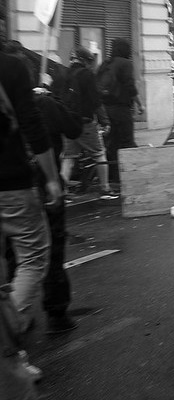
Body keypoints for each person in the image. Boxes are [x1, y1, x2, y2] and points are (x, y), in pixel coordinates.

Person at [0, 42, 63, 395]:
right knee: (33, 256)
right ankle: (8, 338)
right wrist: (51, 177)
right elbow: (33, 127)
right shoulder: (11, 67)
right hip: (10, 184)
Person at [56, 46, 117, 200]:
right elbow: (96, 101)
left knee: (68, 158)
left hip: (67, 122)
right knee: (99, 154)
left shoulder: (64, 74)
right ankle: (105, 189)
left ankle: (61, 192)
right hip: (85, 123)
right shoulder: (87, 75)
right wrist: (105, 121)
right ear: (85, 61)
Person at [98, 38, 145, 184]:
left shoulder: (105, 64)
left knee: (111, 144)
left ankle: (113, 176)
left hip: (105, 110)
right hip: (121, 109)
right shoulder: (125, 64)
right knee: (126, 142)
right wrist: (140, 104)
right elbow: (130, 87)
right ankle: (128, 175)